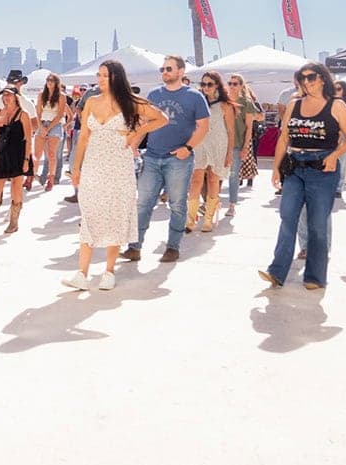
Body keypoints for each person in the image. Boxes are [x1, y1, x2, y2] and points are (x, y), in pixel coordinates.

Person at [64, 61, 167, 290]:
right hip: (93, 165)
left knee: (115, 215)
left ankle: (109, 272)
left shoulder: (131, 102)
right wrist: (76, 168)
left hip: (119, 167)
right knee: (89, 214)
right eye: (98, 75)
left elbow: (161, 118)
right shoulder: (90, 101)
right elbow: (82, 138)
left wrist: (138, 132)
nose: (100, 80)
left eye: (105, 76)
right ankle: (82, 273)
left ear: (116, 78)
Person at [259, 63, 346, 290]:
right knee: (287, 217)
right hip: (295, 167)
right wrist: (276, 168)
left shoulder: (337, 106)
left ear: (323, 78)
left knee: (317, 224)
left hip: (322, 169)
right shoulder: (294, 104)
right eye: (301, 78)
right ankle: (277, 271)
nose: (306, 82)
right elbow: (284, 138)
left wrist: (335, 156)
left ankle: (315, 276)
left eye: (311, 77)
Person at [121, 55, 210, 263]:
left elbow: (204, 126)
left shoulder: (194, 96)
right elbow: (143, 122)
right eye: (162, 69)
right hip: (151, 156)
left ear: (181, 71)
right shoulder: (153, 94)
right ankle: (134, 247)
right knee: (143, 203)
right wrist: (134, 145)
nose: (164, 72)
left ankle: (172, 247)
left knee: (177, 204)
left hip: (178, 159)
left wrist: (187, 148)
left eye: (169, 69)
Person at [187, 72, 236, 233]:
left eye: (209, 84)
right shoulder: (196, 101)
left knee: (214, 180)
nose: (205, 87)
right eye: (203, 84)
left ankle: (208, 218)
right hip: (199, 144)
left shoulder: (225, 105)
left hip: (218, 144)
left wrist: (229, 153)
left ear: (217, 85)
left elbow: (230, 131)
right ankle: (190, 218)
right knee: (196, 180)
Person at [0, 86, 33, 235]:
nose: (6, 97)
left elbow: (28, 139)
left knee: (16, 188)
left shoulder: (23, 115)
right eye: (4, 95)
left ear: (16, 97)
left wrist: (26, 159)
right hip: (3, 154)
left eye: (9, 95)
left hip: (18, 154)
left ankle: (14, 222)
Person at [225, 74, 263, 215]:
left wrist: (246, 147)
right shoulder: (223, 100)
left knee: (233, 174)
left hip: (237, 143)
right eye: (230, 83)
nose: (232, 86)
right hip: (221, 143)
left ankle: (232, 204)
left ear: (241, 85)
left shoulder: (246, 102)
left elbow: (249, 127)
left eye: (235, 83)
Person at [63, 84, 102, 204]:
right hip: (86, 130)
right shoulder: (91, 92)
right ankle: (77, 193)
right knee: (75, 160)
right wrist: (82, 117)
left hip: (103, 135)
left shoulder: (117, 91)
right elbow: (78, 107)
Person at [33, 74, 69, 191]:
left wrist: (48, 129)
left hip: (55, 125)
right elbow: (38, 112)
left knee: (52, 154)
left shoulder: (61, 96)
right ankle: (31, 177)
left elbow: (59, 115)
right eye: (48, 80)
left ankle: (51, 179)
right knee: (37, 154)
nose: (49, 82)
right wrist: (41, 126)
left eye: (52, 80)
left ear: (56, 82)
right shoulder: (41, 95)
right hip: (42, 123)